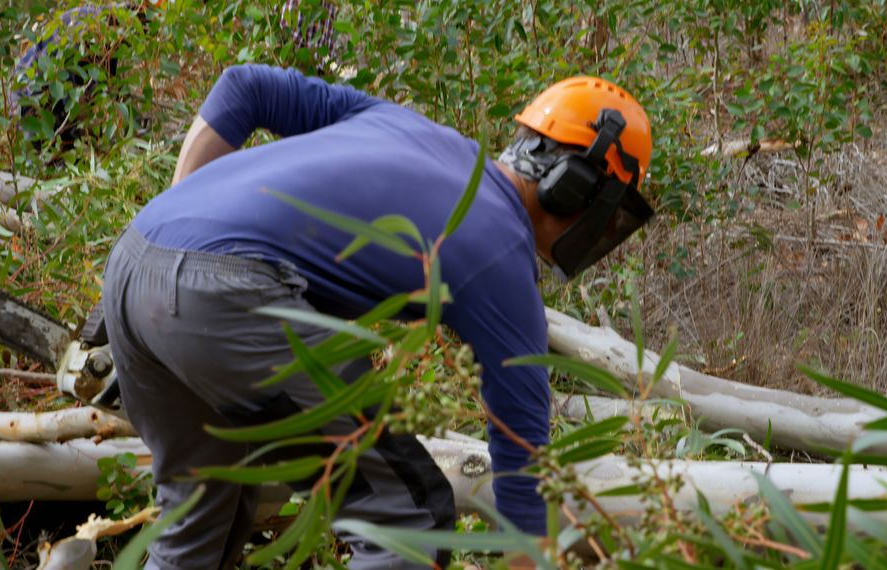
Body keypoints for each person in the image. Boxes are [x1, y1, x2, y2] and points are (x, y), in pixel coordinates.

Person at [101, 64, 653, 569]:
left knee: (201, 517)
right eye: (609, 219)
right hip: (226, 298)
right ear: (576, 190)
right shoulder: (500, 254)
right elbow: (523, 466)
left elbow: (246, 86)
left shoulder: (410, 130)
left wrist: (175, 250)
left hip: (131, 261)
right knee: (405, 517)